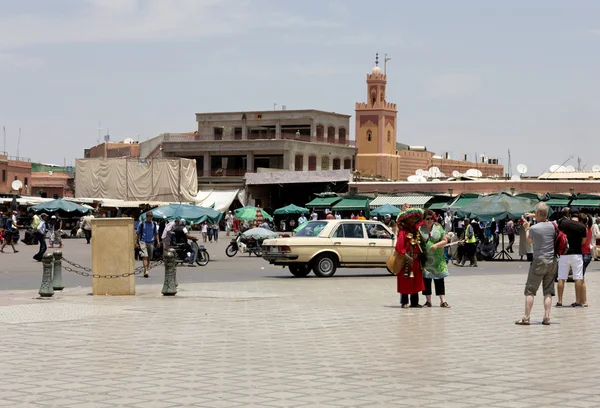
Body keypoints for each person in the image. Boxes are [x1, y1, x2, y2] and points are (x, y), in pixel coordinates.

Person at [515, 203, 556, 325]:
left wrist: (527, 227)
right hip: (552, 260)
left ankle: (526, 317)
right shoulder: (554, 226)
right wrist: (536, 214)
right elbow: (544, 216)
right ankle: (547, 317)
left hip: (539, 260)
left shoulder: (534, 228)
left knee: (530, 290)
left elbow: (529, 240)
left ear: (537, 213)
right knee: (548, 291)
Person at [395, 207, 425, 308]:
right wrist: (407, 257)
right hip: (406, 260)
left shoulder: (415, 230)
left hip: (416, 259)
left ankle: (414, 302)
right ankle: (404, 302)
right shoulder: (402, 232)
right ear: (406, 219)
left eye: (414, 218)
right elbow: (399, 247)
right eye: (410, 218)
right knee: (405, 279)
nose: (412, 220)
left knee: (415, 280)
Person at [419, 210, 450, 308]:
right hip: (427, 260)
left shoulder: (438, 227)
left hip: (438, 259)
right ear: (423, 219)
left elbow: (445, 240)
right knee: (427, 280)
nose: (430, 221)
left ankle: (443, 301)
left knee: (440, 280)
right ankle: (428, 301)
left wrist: (436, 245)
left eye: (431, 218)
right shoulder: (420, 229)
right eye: (427, 219)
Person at [556, 208, 586, 307]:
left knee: (561, 277)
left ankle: (560, 301)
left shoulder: (563, 223)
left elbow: (559, 235)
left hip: (564, 253)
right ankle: (577, 301)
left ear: (569, 214)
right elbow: (583, 242)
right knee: (578, 277)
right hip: (576, 254)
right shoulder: (582, 226)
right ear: (579, 215)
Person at [136, 212, 161, 278]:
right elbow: (137, 233)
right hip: (143, 241)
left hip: (151, 242)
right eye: (149, 216)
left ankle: (146, 269)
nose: (150, 218)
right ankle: (146, 270)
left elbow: (156, 233)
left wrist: (158, 242)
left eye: (151, 216)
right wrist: (136, 242)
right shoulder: (142, 223)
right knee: (145, 256)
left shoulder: (154, 224)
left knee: (149, 257)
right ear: (146, 217)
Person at [579, 213, 592, 307]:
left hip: (583, 254)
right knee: (580, 278)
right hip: (587, 254)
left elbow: (582, 243)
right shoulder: (590, 228)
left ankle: (584, 301)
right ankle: (580, 300)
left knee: (581, 279)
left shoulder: (584, 230)